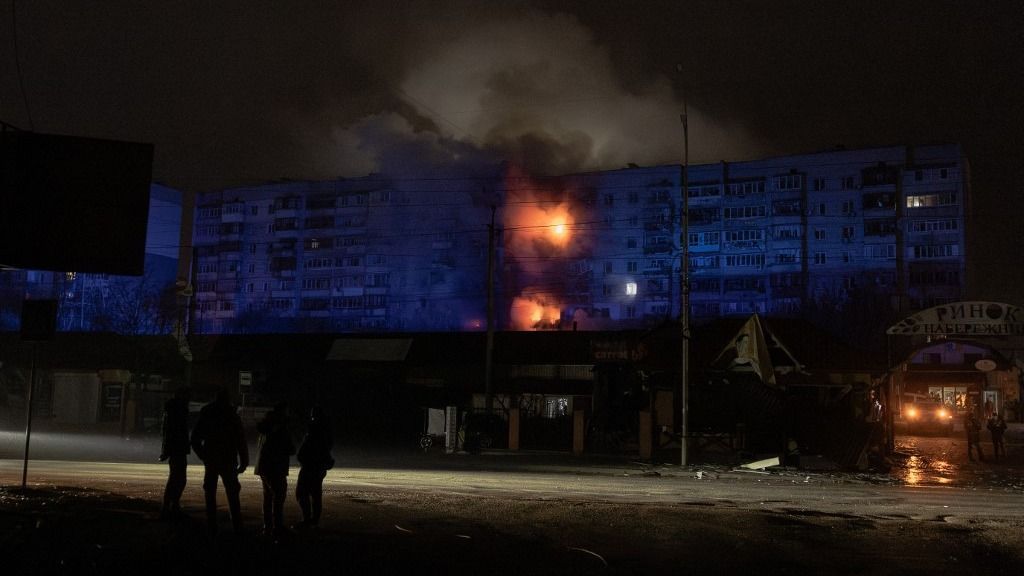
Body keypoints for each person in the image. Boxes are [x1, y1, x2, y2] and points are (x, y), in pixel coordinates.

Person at [190, 388, 249, 536]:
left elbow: (195, 438)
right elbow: (240, 440)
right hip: (228, 458)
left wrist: (203, 455)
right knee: (232, 492)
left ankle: (212, 526)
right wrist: (244, 461)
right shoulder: (232, 415)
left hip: (211, 458)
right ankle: (237, 526)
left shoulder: (208, 414)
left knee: (210, 492)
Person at [254, 401, 295, 537]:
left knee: (268, 497)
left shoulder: (266, 426)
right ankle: (277, 527)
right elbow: (290, 449)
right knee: (278, 497)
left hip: (264, 467)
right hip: (276, 467)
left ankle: (268, 526)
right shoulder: (281, 428)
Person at [295, 406, 334, 528]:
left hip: (310, 466)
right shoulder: (325, 430)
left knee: (302, 492)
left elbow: (305, 450)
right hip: (319, 466)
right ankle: (314, 520)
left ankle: (308, 519)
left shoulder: (314, 430)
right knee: (316, 494)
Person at [158, 386, 191, 521]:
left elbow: (166, 433)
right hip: (178, 448)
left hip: (175, 449)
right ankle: (171, 504)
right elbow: (174, 432)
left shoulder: (171, 411)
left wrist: (165, 451)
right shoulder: (179, 411)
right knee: (179, 478)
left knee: (175, 477)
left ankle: (169, 505)